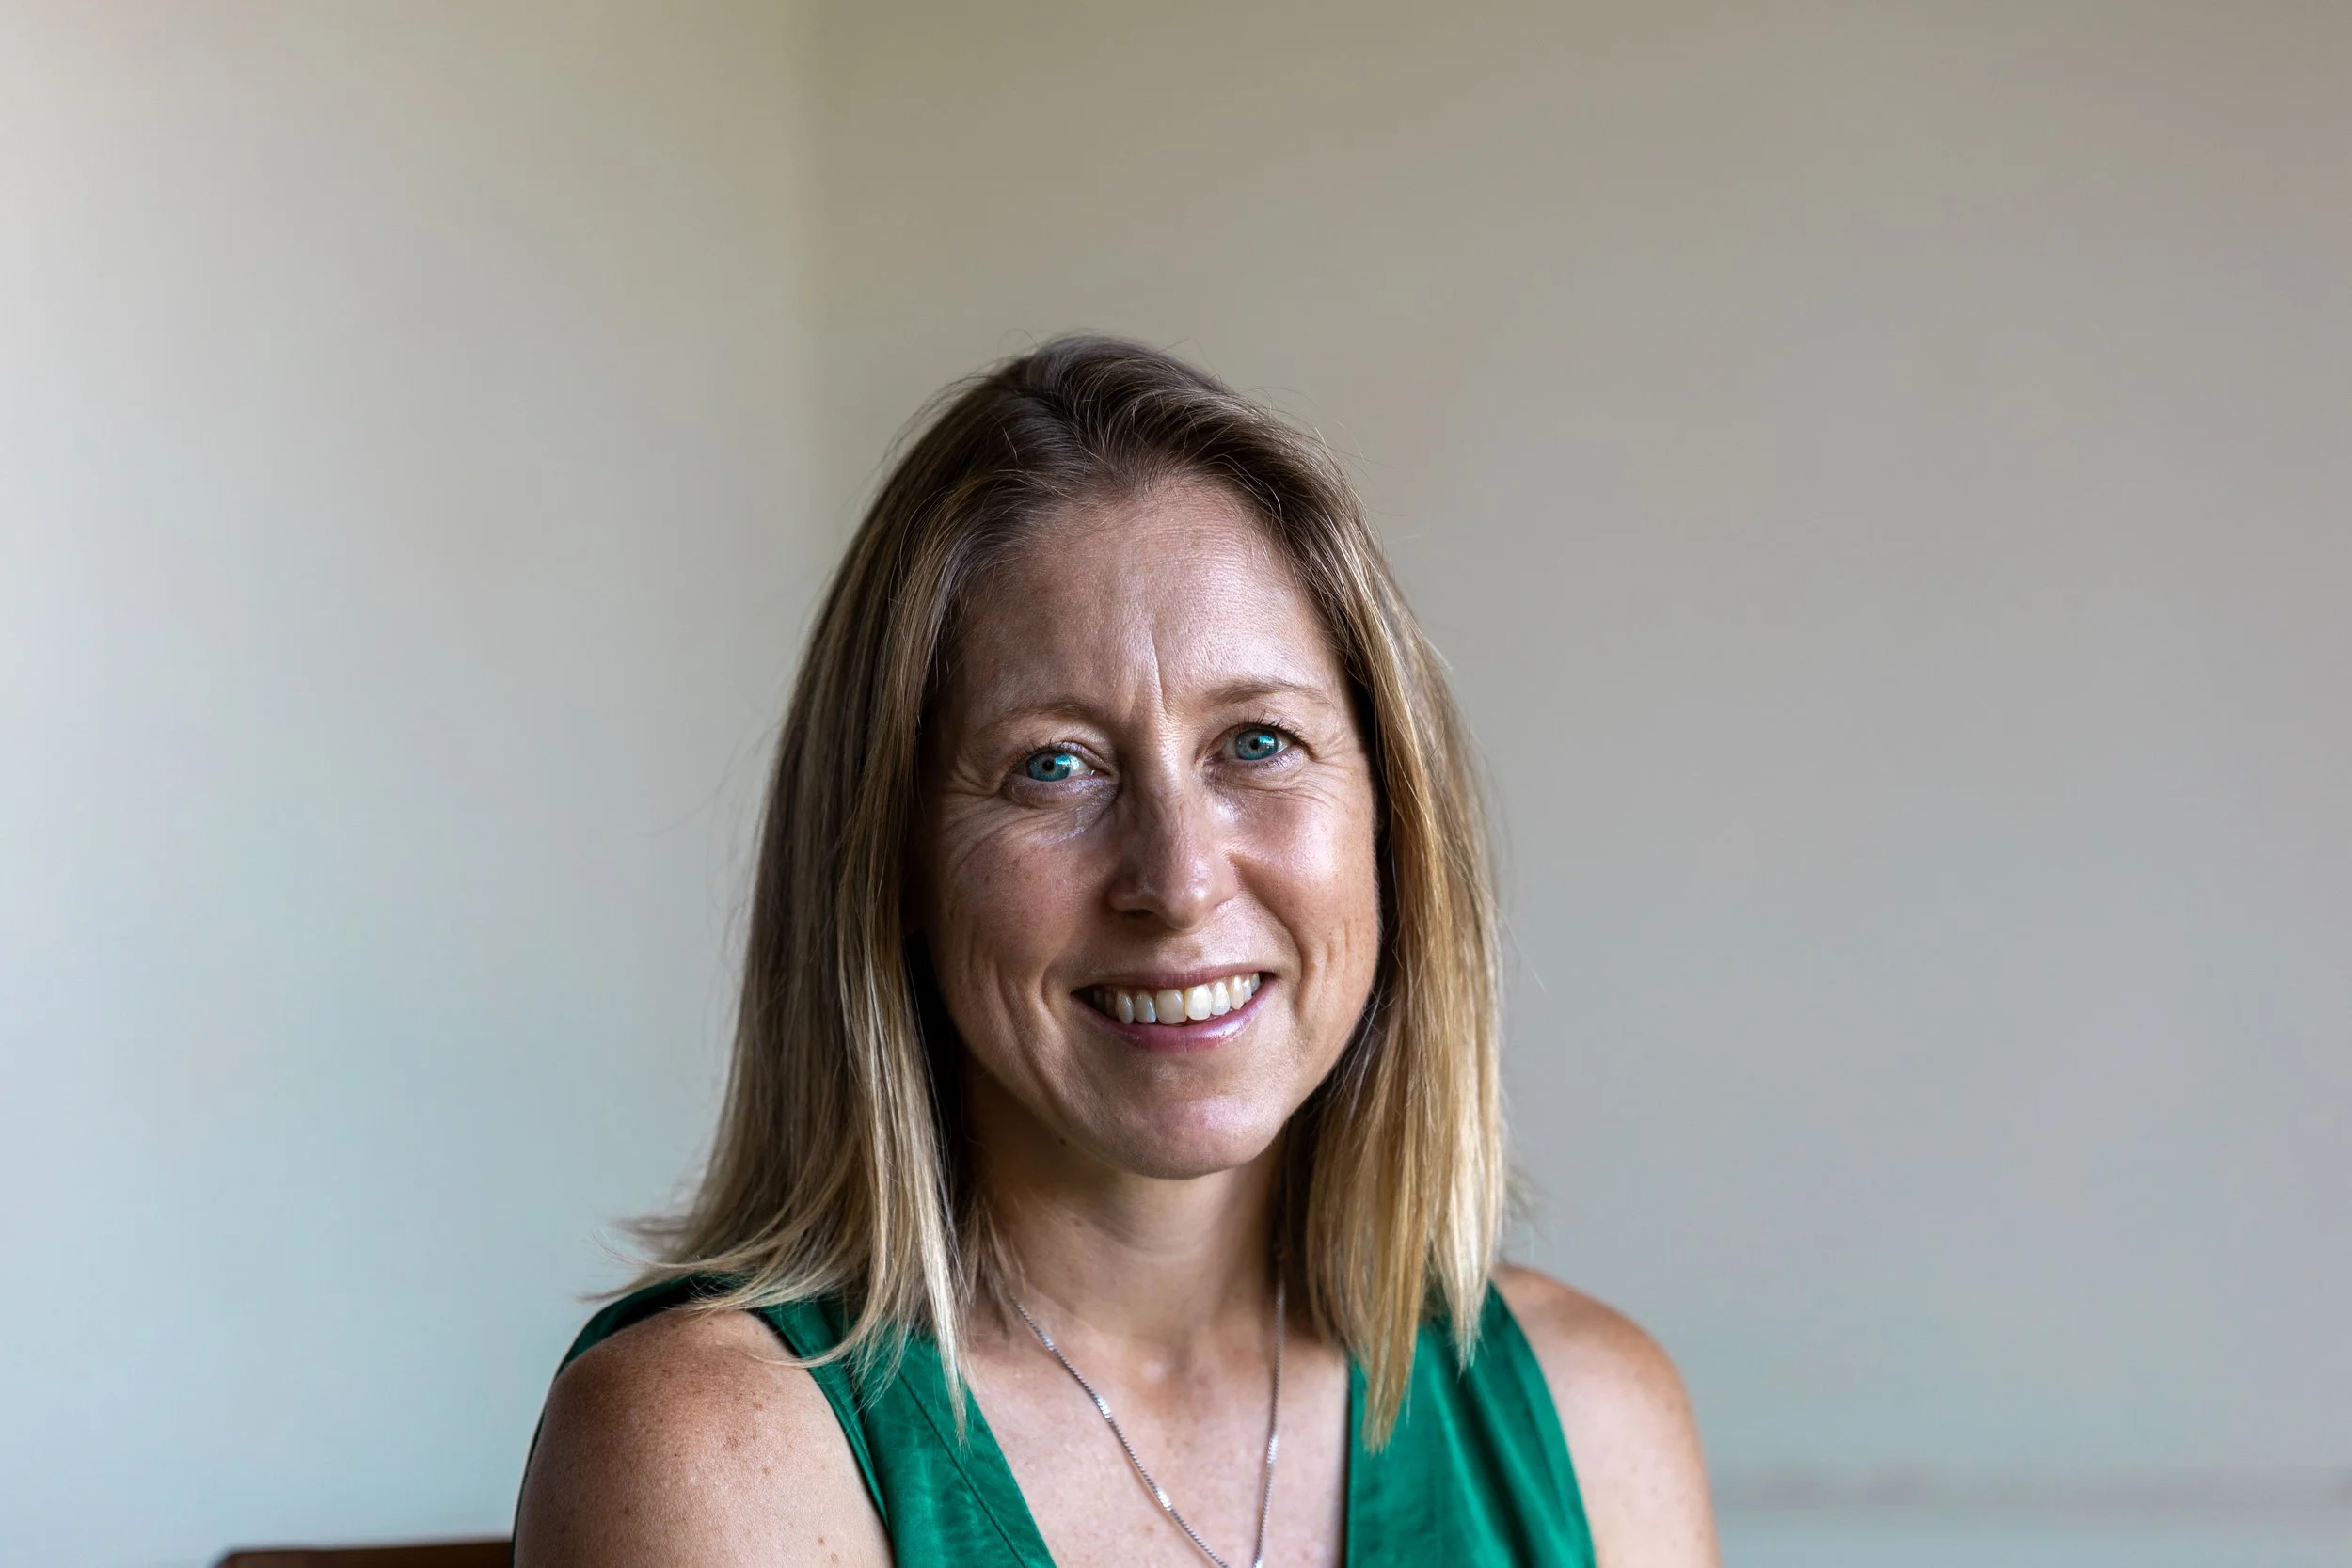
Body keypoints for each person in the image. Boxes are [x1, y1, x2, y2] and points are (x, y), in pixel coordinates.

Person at [514, 336, 1718, 1567]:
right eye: (1055, 765)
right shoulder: (715, 1442)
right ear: (893, 861)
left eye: (1256, 742)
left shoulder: (1594, 1420)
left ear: (1391, 817)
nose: (1180, 880)